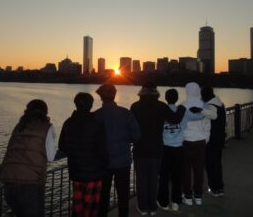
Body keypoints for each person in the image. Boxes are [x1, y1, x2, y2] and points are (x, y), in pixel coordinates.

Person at [130, 81, 185, 216]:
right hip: (156, 149)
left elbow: (131, 127)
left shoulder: (135, 106)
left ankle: (143, 207)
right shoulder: (161, 106)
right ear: (156, 92)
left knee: (141, 180)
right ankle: (153, 208)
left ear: (142, 91)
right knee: (154, 179)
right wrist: (183, 107)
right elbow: (175, 119)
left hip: (140, 148)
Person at [0, 99, 56, 217]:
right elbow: (51, 157)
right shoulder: (46, 127)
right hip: (30, 186)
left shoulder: (19, 126)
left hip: (9, 184)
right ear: (45, 112)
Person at [95, 84, 141, 217]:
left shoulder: (96, 116)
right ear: (114, 95)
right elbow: (137, 135)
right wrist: (126, 139)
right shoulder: (126, 113)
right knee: (123, 195)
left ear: (101, 97)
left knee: (103, 196)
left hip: (103, 163)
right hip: (123, 162)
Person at [59, 92, 108, 217]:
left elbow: (62, 146)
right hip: (94, 172)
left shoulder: (68, 123)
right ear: (91, 105)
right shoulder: (97, 123)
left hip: (76, 171)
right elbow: (103, 150)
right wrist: (104, 166)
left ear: (76, 104)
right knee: (92, 205)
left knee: (78, 205)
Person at [157, 88, 204, 211]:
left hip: (165, 148)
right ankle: (176, 202)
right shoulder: (183, 111)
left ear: (166, 98)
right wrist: (201, 109)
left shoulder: (161, 111)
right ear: (177, 98)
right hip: (179, 148)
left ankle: (163, 202)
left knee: (164, 176)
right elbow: (198, 117)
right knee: (177, 176)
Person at [181, 82, 217, 206]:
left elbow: (180, 126)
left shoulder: (183, 106)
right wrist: (205, 140)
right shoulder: (205, 106)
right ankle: (198, 196)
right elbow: (208, 125)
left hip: (186, 142)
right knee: (199, 170)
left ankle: (187, 196)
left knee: (185, 170)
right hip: (201, 142)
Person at [201, 86, 227, 197]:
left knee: (210, 164)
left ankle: (214, 188)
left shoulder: (210, 107)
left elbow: (205, 122)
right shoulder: (221, 104)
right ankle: (220, 187)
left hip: (211, 140)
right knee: (217, 164)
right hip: (220, 138)